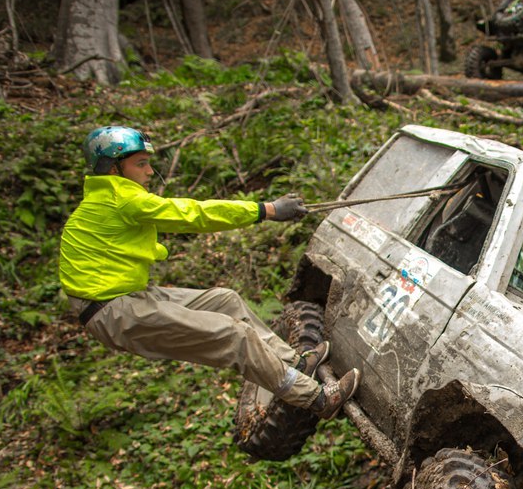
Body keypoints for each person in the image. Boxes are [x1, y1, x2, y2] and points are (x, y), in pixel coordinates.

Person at [59, 125, 359, 423]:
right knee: (233, 336)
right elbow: (193, 214)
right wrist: (266, 210)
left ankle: (296, 362)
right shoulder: (120, 199)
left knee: (224, 300)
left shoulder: (108, 199)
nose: (150, 172)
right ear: (113, 170)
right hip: (112, 310)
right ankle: (317, 398)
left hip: (125, 296)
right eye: (141, 164)